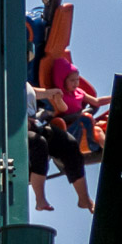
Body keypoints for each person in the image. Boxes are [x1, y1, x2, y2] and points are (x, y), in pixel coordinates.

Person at [26, 83, 94, 212]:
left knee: (69, 143)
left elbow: (32, 92)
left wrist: (50, 92)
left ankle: (84, 199)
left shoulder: (20, 79)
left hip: (34, 124)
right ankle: (40, 199)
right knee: (38, 143)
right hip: (11, 129)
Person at [50, 58, 107, 150]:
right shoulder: (59, 94)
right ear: (63, 80)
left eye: (77, 80)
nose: (76, 83)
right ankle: (90, 144)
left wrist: (115, 97)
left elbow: (97, 102)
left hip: (82, 121)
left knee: (98, 130)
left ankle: (107, 151)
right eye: (72, 80)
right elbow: (60, 111)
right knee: (86, 117)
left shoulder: (79, 92)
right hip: (68, 125)